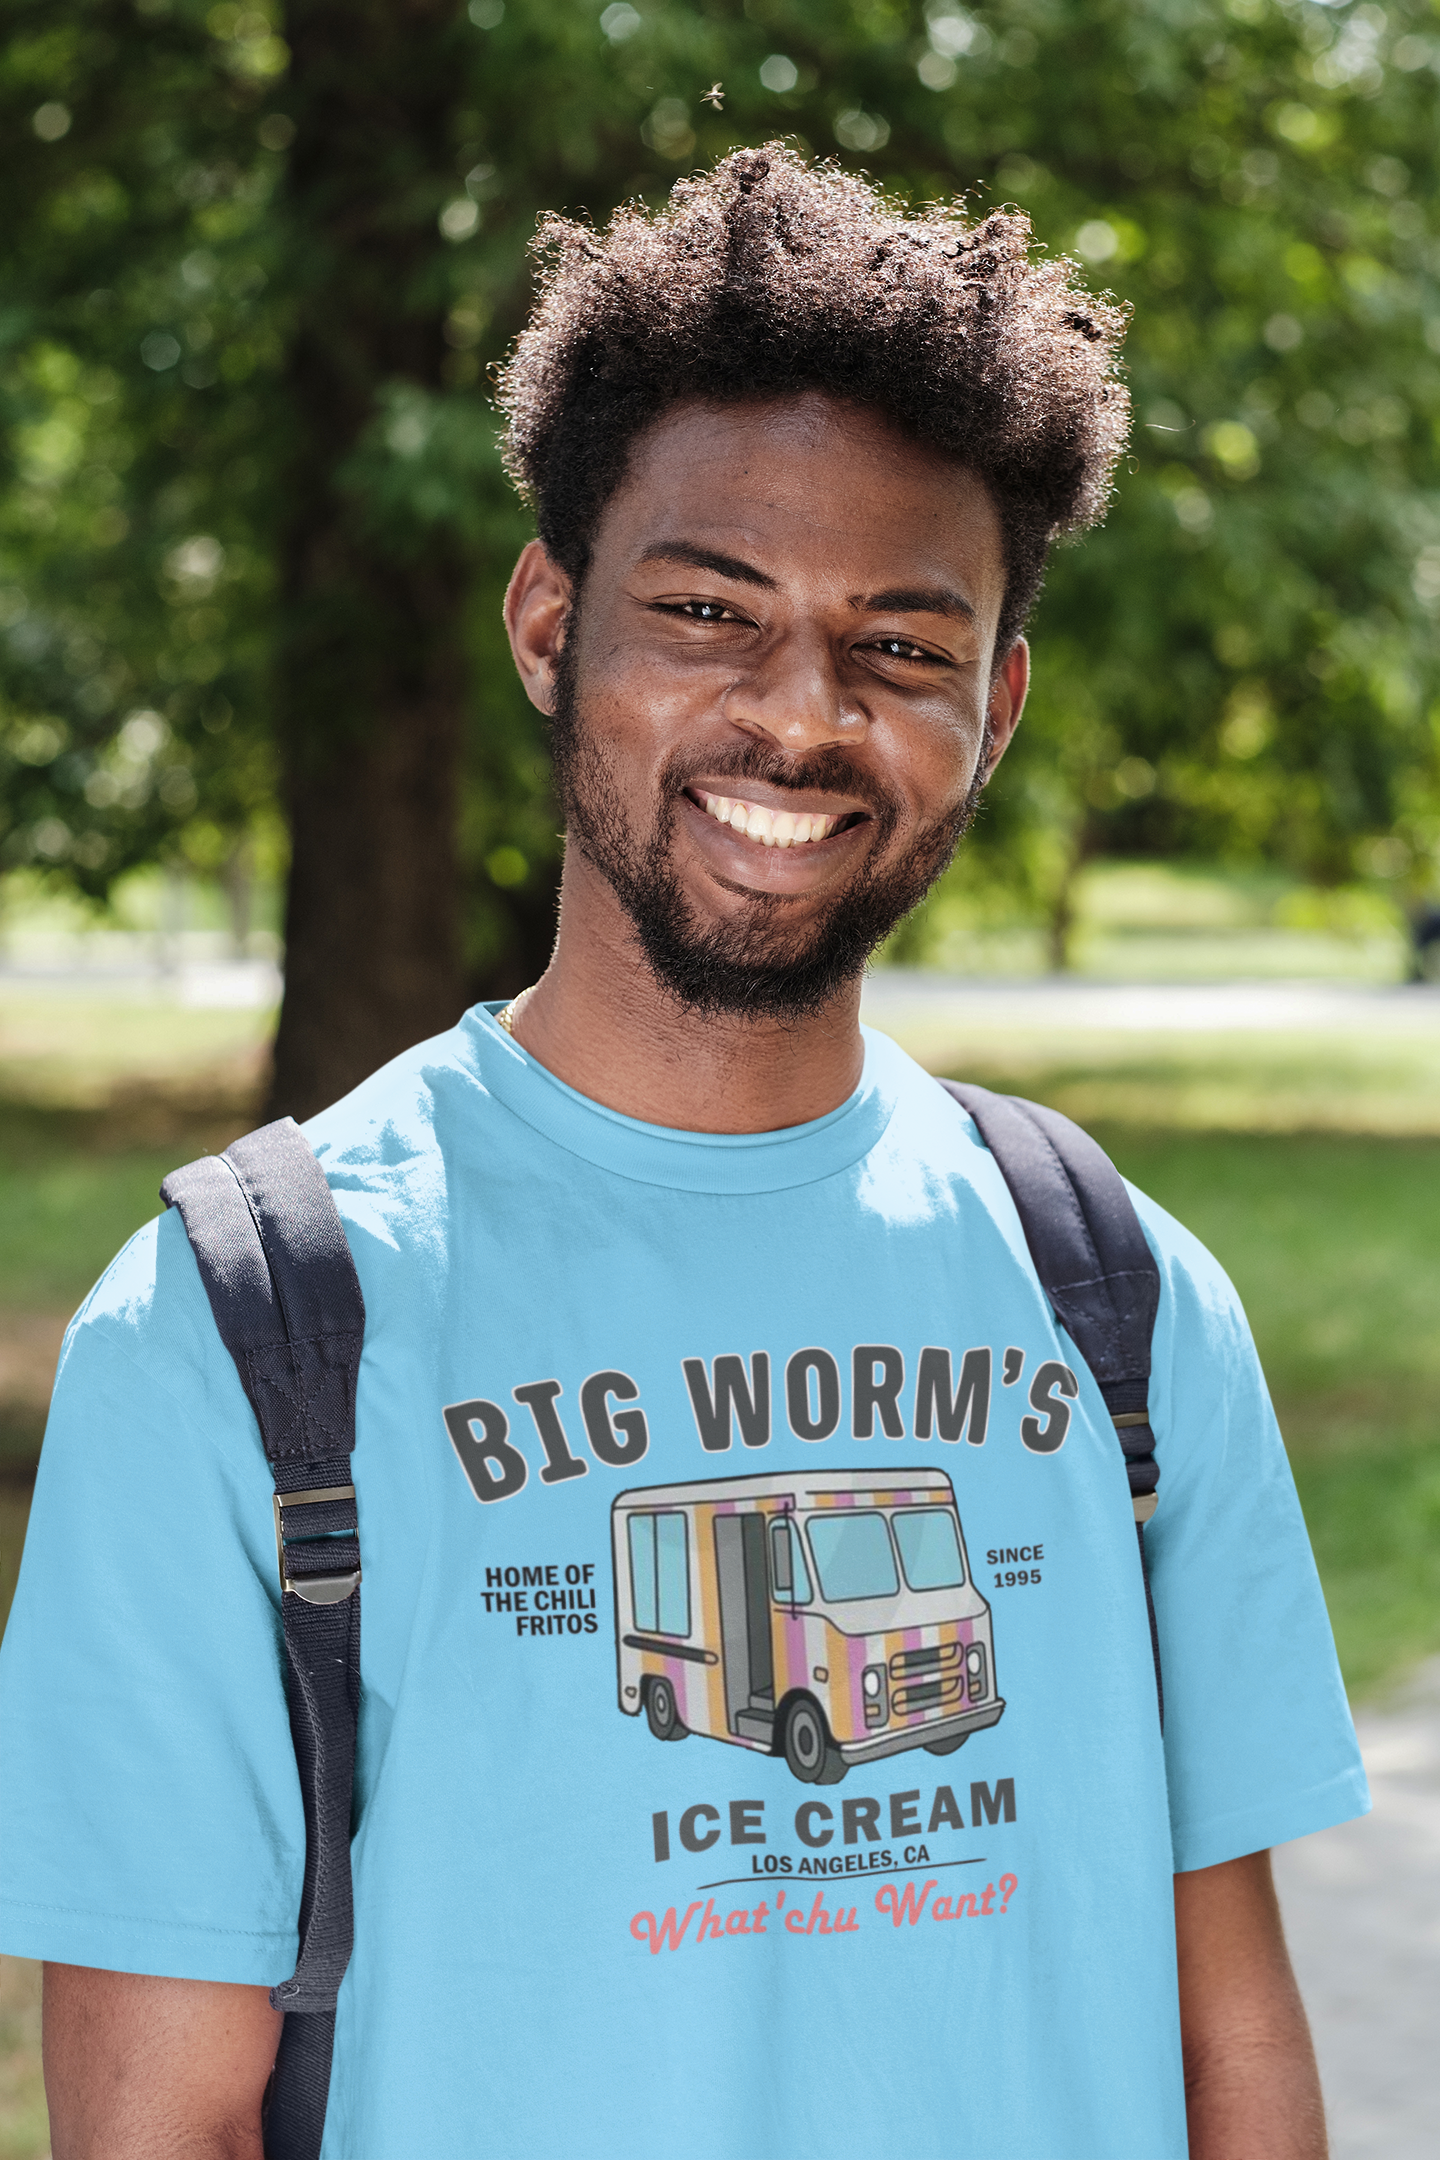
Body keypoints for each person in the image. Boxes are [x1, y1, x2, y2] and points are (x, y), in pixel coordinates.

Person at [0, 146, 1365, 2160]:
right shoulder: (241, 1331)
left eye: (901, 646)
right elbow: (154, 2131)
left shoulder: (1121, 1297)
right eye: (710, 610)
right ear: (551, 623)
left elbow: (1229, 2050)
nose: (799, 716)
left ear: (994, 708)